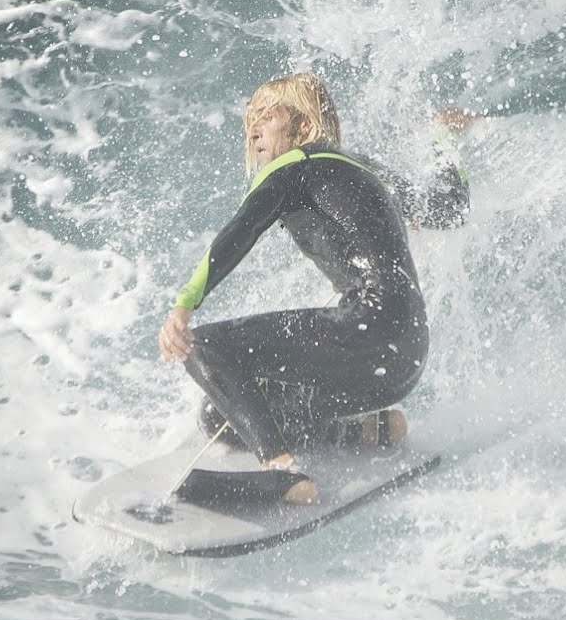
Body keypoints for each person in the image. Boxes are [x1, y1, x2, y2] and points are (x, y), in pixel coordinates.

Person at [157, 72, 472, 504]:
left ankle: (283, 472)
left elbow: (241, 230)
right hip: (406, 354)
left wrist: (184, 305)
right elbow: (450, 207)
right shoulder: (362, 168)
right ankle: (372, 430)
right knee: (222, 415)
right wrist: (444, 138)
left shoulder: (293, 166)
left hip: (369, 328)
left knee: (204, 348)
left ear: (303, 127)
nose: (254, 128)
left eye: (268, 117)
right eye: (251, 119)